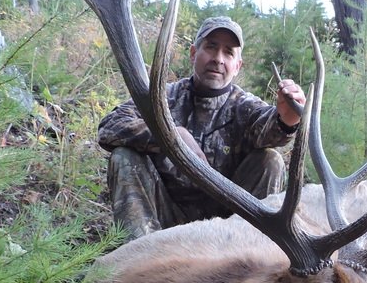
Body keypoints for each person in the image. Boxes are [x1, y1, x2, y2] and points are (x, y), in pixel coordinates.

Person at [97, 16, 306, 239]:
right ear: (193, 53)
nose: (218, 59)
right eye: (211, 47)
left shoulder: (244, 105)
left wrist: (288, 117)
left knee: (270, 161)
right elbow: (110, 127)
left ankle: (252, 256)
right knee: (124, 156)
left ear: (238, 66)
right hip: (164, 225)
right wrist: (172, 136)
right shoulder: (163, 97)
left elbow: (271, 128)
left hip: (227, 229)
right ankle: (138, 259)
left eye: (228, 52)